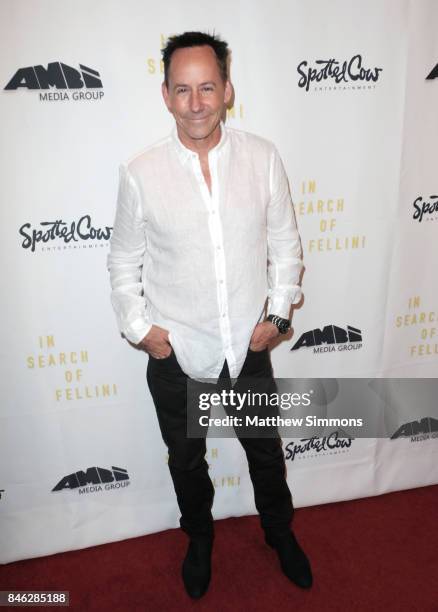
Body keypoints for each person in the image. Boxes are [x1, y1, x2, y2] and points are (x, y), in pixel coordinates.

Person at [107, 31, 312, 599]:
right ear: (166, 95)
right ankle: (199, 539)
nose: (195, 103)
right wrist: (140, 329)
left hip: (247, 346)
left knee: (266, 457)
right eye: (182, 90)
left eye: (206, 88)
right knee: (188, 463)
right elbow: (123, 259)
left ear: (227, 90)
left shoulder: (263, 158)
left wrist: (278, 312)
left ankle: (279, 533)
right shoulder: (141, 172)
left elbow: (286, 245)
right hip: (177, 354)